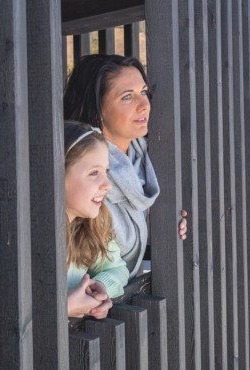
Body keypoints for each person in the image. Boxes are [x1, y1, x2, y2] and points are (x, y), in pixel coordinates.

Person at [64, 54, 187, 280]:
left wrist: (164, 226)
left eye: (143, 92)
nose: (144, 105)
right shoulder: (79, 172)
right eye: (127, 97)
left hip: (122, 294)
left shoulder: (147, 157)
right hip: (92, 304)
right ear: (96, 107)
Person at [64, 120, 129, 318]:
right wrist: (63, 309)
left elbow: (117, 268)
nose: (107, 185)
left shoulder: (88, 226)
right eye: (94, 173)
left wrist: (100, 287)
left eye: (105, 172)